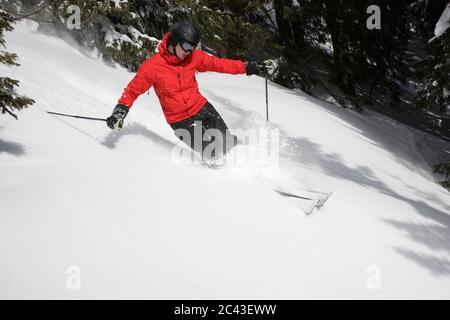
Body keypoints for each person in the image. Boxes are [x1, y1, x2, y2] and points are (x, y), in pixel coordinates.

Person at [107, 21, 268, 159]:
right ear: (174, 41)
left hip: (200, 107)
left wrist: (247, 68)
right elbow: (132, 90)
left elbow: (220, 64)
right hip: (179, 120)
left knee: (228, 143)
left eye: (192, 48)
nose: (188, 52)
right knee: (213, 154)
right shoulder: (153, 67)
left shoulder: (193, 57)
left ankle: (250, 165)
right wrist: (120, 110)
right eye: (185, 46)